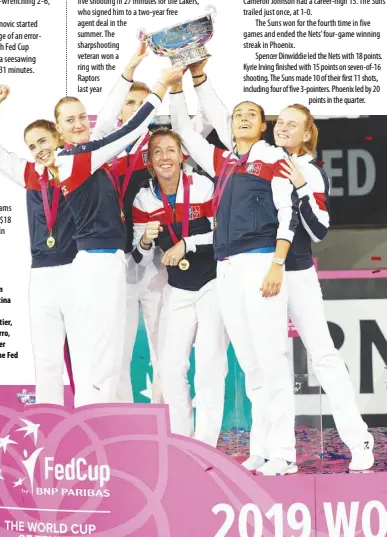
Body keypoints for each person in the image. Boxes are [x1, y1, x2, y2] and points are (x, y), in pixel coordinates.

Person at [170, 70, 300, 475]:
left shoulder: (273, 157)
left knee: (272, 358)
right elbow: (185, 131)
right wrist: (181, 85)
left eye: (251, 114)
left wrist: (277, 263)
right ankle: (261, 448)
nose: (242, 118)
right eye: (237, 114)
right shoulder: (223, 162)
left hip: (262, 260)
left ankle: (285, 451)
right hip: (226, 269)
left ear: (263, 126)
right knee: (250, 363)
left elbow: (287, 213)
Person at [54, 64, 184, 408]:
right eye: (71, 120)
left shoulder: (85, 155)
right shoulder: (75, 158)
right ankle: (96, 430)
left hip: (104, 262)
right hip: (98, 264)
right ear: (59, 129)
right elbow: (126, 130)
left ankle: (101, 428)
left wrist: (130, 65)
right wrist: (160, 85)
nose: (80, 123)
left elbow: (109, 118)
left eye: (83, 116)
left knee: (104, 354)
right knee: (103, 354)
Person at [273, 104, 374, 471]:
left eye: (292, 125)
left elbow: (318, 231)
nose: (283, 128)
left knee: (324, 356)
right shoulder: (260, 164)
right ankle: (274, 447)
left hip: (297, 273)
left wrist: (300, 185)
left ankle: (359, 440)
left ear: (306, 135)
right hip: (259, 275)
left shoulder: (311, 173)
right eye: (280, 122)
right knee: (270, 362)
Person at [0, 86, 76, 406]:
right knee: (47, 357)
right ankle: (50, 420)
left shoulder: (80, 167)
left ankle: (92, 417)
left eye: (43, 141)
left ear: (59, 138)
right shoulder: (29, 173)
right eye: (32, 146)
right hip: (43, 273)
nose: (38, 150)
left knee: (82, 354)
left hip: (78, 269)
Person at [131, 128, 228, 447]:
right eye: (157, 152)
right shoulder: (144, 199)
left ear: (183, 155)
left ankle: (206, 443)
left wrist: (186, 243)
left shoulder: (202, 186)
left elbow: (222, 235)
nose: (164, 157)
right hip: (178, 287)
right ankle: (184, 442)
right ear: (149, 162)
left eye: (170, 150)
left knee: (210, 364)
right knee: (171, 367)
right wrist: (145, 239)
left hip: (213, 283)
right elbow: (139, 257)